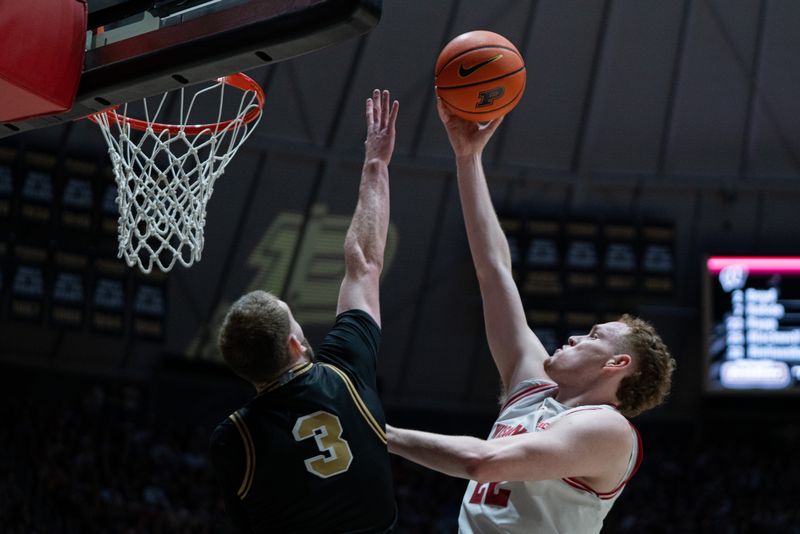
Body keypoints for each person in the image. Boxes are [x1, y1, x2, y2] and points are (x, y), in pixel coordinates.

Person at [386, 100, 676, 534]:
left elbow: (480, 462)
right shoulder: (534, 391)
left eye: (594, 336)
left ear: (617, 365)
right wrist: (468, 158)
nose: (576, 337)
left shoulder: (608, 430)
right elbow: (493, 269)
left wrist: (380, 434)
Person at [209, 89, 399, 534]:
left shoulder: (232, 439)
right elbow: (365, 261)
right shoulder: (344, 371)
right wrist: (376, 163)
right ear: (296, 342)